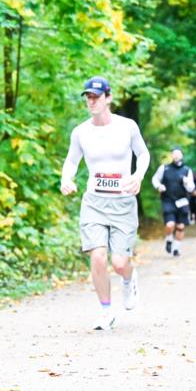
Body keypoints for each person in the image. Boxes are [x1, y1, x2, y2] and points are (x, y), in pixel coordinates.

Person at [61, 76, 150, 331]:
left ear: (108, 98)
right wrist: (66, 178)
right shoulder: (81, 132)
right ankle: (106, 311)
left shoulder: (127, 127)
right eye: (88, 97)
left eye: (96, 97)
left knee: (120, 263)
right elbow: (71, 161)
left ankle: (129, 278)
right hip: (94, 203)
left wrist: (137, 176)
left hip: (122, 203)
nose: (91, 102)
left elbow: (143, 154)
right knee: (98, 257)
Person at [151, 147, 195, 256]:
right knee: (170, 224)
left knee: (180, 226)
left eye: (178, 154)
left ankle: (176, 249)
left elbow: (191, 188)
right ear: (171, 155)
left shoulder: (187, 170)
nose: (176, 156)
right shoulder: (164, 168)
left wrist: (186, 182)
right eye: (174, 154)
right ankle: (169, 239)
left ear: (182, 156)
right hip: (168, 200)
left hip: (182, 201)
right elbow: (155, 179)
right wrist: (159, 186)